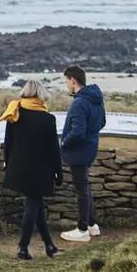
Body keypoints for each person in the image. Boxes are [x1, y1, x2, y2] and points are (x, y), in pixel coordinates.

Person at [1, 79, 63, 260]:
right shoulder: (47, 119)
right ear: (41, 95)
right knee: (33, 204)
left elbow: (8, 143)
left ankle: (49, 245)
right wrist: (58, 172)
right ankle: (22, 246)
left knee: (37, 205)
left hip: (18, 167)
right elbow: (53, 149)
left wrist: (7, 164)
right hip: (40, 169)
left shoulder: (14, 112)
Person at [58, 65, 107, 243]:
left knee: (81, 190)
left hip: (78, 151)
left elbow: (78, 132)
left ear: (73, 80)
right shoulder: (96, 99)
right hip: (90, 148)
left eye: (66, 81)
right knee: (85, 187)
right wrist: (90, 138)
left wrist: (64, 142)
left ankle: (82, 229)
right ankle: (92, 225)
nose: (66, 85)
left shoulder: (79, 103)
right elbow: (102, 122)